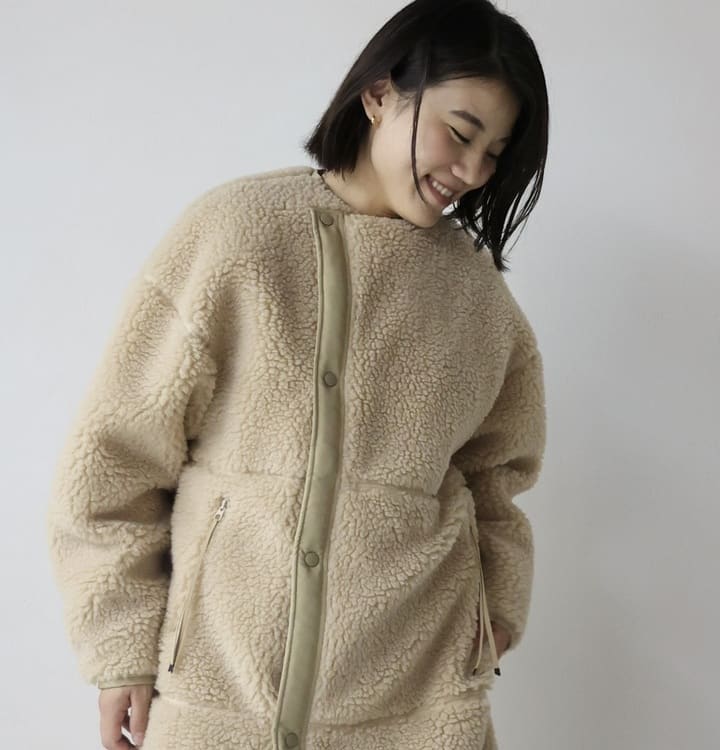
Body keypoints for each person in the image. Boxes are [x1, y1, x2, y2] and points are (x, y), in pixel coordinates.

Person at [46, 1, 549, 748]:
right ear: (379, 94)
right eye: (460, 131)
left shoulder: (477, 299)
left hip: (417, 710)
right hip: (217, 693)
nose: (473, 171)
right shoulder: (235, 236)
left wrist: (495, 614)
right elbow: (114, 457)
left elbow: (497, 480)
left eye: (495, 152)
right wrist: (120, 647)